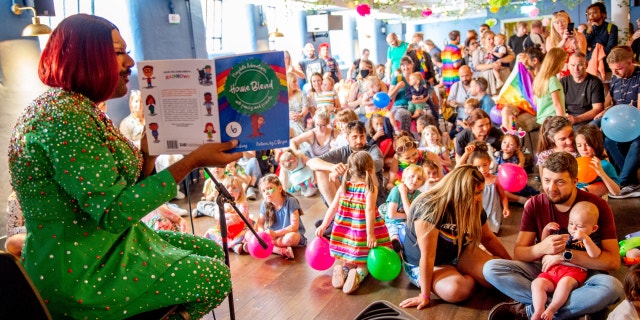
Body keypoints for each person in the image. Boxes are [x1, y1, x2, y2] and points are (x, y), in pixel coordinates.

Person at [7, 14, 243, 319]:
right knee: (214, 275)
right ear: (86, 57)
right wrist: (193, 161)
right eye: (118, 52)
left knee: (211, 250)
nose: (130, 61)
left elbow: (116, 191)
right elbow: (115, 212)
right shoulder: (64, 117)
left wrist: (149, 154)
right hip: (82, 270)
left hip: (104, 245)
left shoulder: (78, 107)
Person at [485, 152, 624, 320]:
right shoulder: (535, 204)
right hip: (547, 271)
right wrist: (541, 248)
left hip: (584, 274)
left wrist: (565, 256)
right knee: (491, 269)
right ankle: (572, 308)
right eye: (546, 180)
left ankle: (532, 310)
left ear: (575, 181)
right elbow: (520, 253)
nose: (551, 188)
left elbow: (613, 262)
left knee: (613, 287)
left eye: (560, 182)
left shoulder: (596, 206)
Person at [399, 165, 512, 309]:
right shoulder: (429, 208)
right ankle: (461, 275)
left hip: (457, 251)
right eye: (475, 193)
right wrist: (424, 296)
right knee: (457, 290)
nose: (479, 198)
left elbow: (488, 238)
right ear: (460, 191)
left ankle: (463, 272)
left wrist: (512, 264)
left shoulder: (474, 206)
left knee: (496, 277)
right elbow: (428, 256)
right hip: (426, 262)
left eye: (480, 192)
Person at [315, 151, 392, 294]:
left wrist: (324, 225)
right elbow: (369, 211)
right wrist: (370, 234)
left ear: (350, 170)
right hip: (362, 229)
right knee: (364, 261)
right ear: (370, 170)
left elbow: (333, 207)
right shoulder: (370, 188)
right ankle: (358, 274)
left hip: (345, 229)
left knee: (349, 256)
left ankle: (345, 269)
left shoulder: (344, 186)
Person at [531, 201, 602, 320]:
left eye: (580, 226)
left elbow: (595, 254)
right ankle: (538, 310)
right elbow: (545, 246)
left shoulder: (591, 239)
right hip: (554, 270)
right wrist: (546, 231)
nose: (573, 228)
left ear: (593, 228)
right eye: (571, 223)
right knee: (537, 283)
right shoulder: (564, 233)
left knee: (564, 283)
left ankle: (552, 309)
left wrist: (585, 238)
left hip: (574, 272)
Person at [306, 121, 387, 205]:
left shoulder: (373, 149)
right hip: (348, 197)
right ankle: (337, 213)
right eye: (354, 137)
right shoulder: (343, 151)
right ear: (347, 138)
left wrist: (347, 167)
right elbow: (310, 162)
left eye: (362, 136)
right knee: (320, 171)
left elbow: (378, 164)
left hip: (372, 199)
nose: (359, 140)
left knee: (369, 169)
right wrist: (332, 167)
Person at [603, 46, 640, 198]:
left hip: (635, 122)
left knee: (637, 142)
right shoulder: (615, 78)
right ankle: (631, 182)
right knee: (608, 140)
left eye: (618, 69)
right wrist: (604, 110)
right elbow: (609, 103)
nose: (615, 73)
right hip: (619, 121)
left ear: (630, 62)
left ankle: (621, 182)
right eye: (612, 70)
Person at [251, 174, 306, 259]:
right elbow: (259, 223)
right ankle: (281, 251)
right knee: (251, 234)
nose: (267, 192)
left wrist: (275, 234)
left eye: (270, 188)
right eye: (263, 190)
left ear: (280, 188)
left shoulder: (291, 201)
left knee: (291, 238)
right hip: (273, 237)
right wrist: (263, 233)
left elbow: (294, 227)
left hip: (288, 235)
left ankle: (270, 246)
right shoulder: (264, 204)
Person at [461, 141, 510, 234]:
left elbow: (503, 196)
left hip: (493, 212)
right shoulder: (472, 180)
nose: (482, 169)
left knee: (491, 232)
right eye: (478, 167)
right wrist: (466, 154)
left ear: (489, 163)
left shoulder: (495, 179)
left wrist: (506, 207)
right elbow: (457, 168)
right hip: (477, 211)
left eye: (485, 165)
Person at [202, 176, 252, 254]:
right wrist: (229, 216)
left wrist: (231, 220)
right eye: (227, 188)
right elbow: (216, 215)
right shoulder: (222, 203)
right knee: (210, 232)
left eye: (234, 188)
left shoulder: (242, 203)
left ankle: (235, 245)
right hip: (225, 231)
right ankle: (234, 246)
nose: (230, 191)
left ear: (240, 192)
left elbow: (241, 218)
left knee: (247, 234)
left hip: (240, 230)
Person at [382, 164, 425, 253]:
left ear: (422, 183)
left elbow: (414, 216)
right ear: (403, 178)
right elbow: (392, 215)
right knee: (393, 234)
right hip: (393, 223)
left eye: (419, 178)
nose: (414, 180)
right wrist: (409, 216)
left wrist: (404, 194)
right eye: (412, 176)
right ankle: (395, 242)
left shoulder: (419, 195)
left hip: (407, 224)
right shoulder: (396, 191)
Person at [560, 52, 605, 129]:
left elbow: (598, 109)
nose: (576, 69)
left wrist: (578, 119)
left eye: (580, 65)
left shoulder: (595, 82)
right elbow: (558, 105)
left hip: (588, 118)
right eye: (573, 65)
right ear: (568, 66)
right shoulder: (563, 81)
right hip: (568, 117)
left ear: (586, 65)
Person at [575, 124, 621, 197]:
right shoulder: (574, 163)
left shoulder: (605, 165)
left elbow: (616, 192)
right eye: (579, 145)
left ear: (596, 144)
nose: (583, 149)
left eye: (587, 145)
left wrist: (601, 173)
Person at [546, 11, 587, 77]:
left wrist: (575, 45)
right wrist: (563, 41)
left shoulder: (580, 36)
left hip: (577, 73)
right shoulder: (550, 39)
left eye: (563, 21)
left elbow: (583, 57)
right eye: (556, 22)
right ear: (553, 25)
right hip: (559, 74)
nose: (560, 25)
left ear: (569, 22)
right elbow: (551, 58)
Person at [533, 48, 568, 124]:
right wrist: (563, 123)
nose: (564, 65)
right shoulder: (552, 80)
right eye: (564, 62)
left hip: (543, 121)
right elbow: (557, 104)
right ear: (558, 63)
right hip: (554, 120)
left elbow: (535, 102)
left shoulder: (539, 78)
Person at [388, 56, 418, 132]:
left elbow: (424, 93)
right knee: (406, 114)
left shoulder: (417, 78)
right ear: (401, 67)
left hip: (414, 106)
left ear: (412, 65)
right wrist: (397, 87)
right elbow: (389, 97)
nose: (406, 67)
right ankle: (405, 138)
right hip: (399, 107)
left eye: (408, 64)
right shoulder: (397, 78)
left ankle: (424, 141)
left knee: (426, 117)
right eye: (403, 65)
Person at [287, 72, 310, 137]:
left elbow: (305, 109)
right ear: (288, 82)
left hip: (299, 121)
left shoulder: (301, 94)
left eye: (296, 81)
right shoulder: (281, 96)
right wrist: (287, 116)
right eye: (294, 81)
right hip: (286, 121)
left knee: (295, 122)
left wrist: (300, 115)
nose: (296, 83)